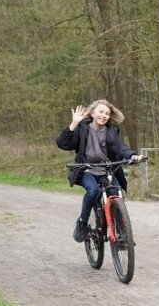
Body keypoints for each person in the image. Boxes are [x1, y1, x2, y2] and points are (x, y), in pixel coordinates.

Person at [55, 99, 142, 242]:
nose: (104, 115)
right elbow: (63, 143)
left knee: (116, 193)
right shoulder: (83, 129)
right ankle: (82, 222)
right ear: (93, 113)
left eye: (107, 113)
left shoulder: (111, 130)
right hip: (87, 171)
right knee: (93, 191)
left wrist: (132, 156)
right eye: (101, 112)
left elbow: (120, 147)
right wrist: (74, 124)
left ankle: (122, 233)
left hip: (106, 171)